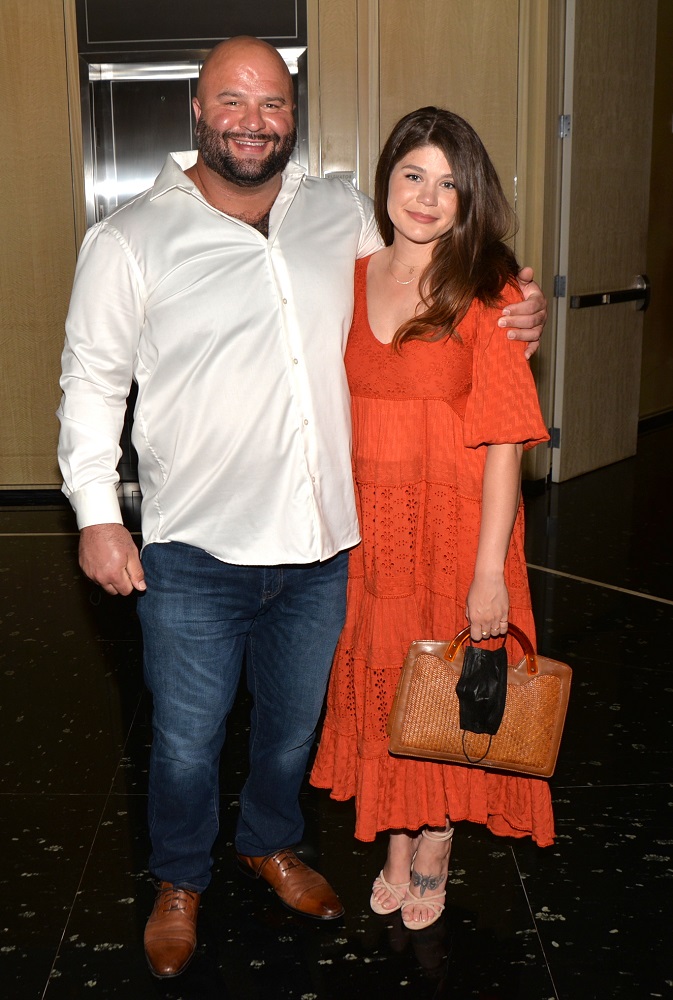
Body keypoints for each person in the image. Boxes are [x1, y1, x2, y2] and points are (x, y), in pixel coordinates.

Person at [57, 38, 546, 978]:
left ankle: (271, 843)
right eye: (232, 101)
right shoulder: (128, 239)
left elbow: (442, 281)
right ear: (196, 111)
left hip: (328, 545)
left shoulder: (337, 215)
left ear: (294, 116)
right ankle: (179, 880)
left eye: (273, 103)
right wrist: (94, 512)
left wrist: (519, 302)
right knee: (188, 742)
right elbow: (90, 383)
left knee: (290, 730)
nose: (252, 119)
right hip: (196, 545)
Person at [310, 106, 554, 931]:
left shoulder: (490, 291)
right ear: (384, 181)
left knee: (447, 693)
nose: (426, 196)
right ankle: (394, 833)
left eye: (449, 184)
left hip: (455, 532)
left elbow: (505, 443)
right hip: (367, 534)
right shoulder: (340, 277)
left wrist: (489, 573)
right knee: (387, 686)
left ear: (469, 198)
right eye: (412, 174)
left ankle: (436, 840)